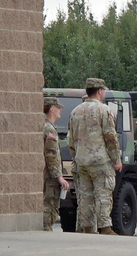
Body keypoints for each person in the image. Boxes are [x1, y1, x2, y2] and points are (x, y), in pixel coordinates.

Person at [67, 78, 122, 235]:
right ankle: (105, 227)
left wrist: (76, 157)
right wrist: (116, 160)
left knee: (85, 196)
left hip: (82, 161)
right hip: (100, 160)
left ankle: (88, 228)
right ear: (99, 91)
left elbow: (71, 140)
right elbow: (110, 137)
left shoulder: (75, 111)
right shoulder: (103, 110)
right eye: (104, 90)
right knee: (103, 192)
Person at [43, 97, 70, 231]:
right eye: (58, 108)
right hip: (50, 177)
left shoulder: (48, 127)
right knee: (50, 205)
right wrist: (59, 176)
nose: (60, 110)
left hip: (50, 175)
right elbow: (51, 154)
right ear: (52, 109)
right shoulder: (49, 129)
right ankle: (46, 230)